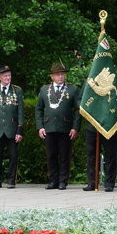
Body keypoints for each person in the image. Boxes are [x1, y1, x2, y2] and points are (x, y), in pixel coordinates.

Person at [35, 62, 80, 190]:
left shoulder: (73, 89)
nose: (60, 77)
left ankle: (63, 181)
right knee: (51, 155)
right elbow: (38, 109)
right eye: (58, 74)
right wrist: (40, 127)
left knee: (65, 155)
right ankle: (53, 180)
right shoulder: (44, 90)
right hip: (49, 126)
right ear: (52, 76)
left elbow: (78, 110)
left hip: (65, 126)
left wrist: (75, 127)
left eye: (62, 74)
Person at [0, 65, 24, 189]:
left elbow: (20, 112)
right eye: (5, 76)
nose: (8, 78)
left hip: (12, 129)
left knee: (13, 156)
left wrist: (20, 130)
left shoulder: (17, 90)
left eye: (9, 75)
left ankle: (11, 181)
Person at [83, 119, 117, 192]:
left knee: (110, 155)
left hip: (109, 126)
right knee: (91, 156)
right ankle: (92, 182)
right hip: (92, 126)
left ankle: (109, 183)